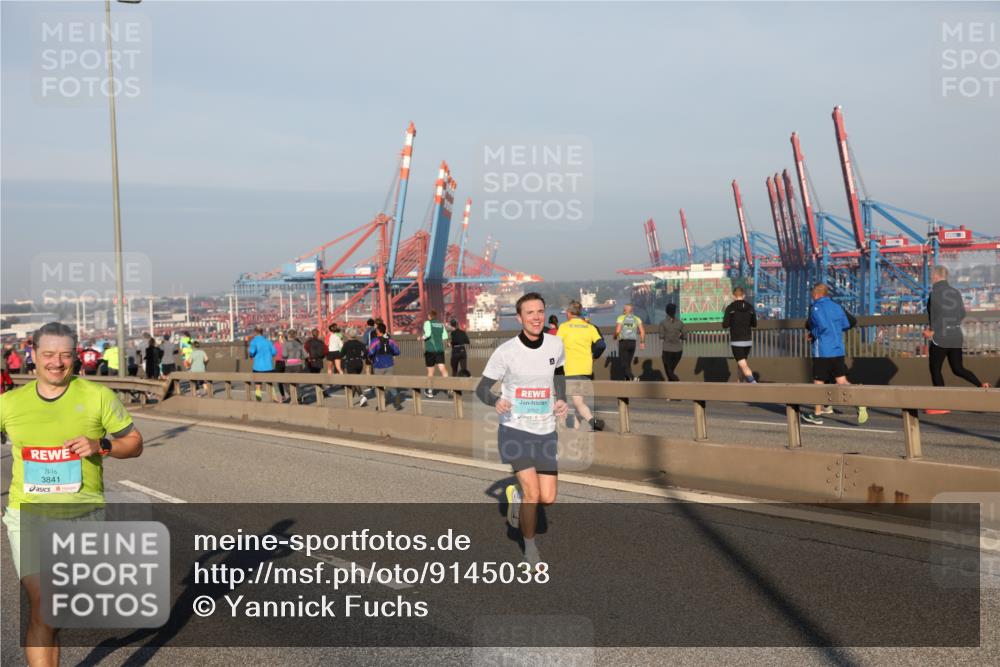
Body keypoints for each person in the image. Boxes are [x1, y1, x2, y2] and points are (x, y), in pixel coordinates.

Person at [1, 321, 143, 667]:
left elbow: (135, 443)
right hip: (28, 514)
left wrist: (102, 445)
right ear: (33, 355)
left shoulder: (98, 397)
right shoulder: (9, 404)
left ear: (75, 357)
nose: (56, 362)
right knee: (44, 601)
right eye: (48, 354)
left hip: (83, 515)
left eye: (65, 355)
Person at [476, 292, 568, 568]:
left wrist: (560, 398)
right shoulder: (506, 352)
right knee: (533, 495)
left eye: (540, 311)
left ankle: (515, 494)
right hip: (515, 429)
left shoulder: (555, 343)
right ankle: (529, 548)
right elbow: (481, 389)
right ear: (519, 318)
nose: (536, 317)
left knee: (548, 498)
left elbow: (559, 373)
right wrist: (497, 400)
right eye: (530, 313)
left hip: (546, 429)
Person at [923, 265, 989, 414]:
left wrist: (931, 331)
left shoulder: (934, 294)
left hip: (941, 338)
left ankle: (942, 405)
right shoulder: (956, 292)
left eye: (932, 275)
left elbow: (937, 316)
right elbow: (962, 314)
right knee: (958, 368)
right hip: (956, 335)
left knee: (935, 369)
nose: (931, 278)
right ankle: (981, 385)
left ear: (936, 276)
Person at [802, 284, 869, 426]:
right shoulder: (837, 307)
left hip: (823, 351)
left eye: (812, 295)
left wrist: (811, 334)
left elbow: (820, 326)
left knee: (818, 383)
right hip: (838, 349)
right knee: (841, 381)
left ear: (816, 294)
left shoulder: (816, 308)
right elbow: (846, 324)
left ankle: (817, 414)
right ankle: (859, 402)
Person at [557, 299, 605, 431]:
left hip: (571, 370)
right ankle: (575, 431)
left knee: (577, 402)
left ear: (568, 313)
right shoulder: (589, 327)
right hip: (586, 370)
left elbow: (556, 346)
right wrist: (593, 356)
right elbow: (601, 345)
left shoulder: (564, 327)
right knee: (579, 402)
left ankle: (592, 421)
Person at [722, 286, 758, 383]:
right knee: (741, 363)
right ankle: (739, 383)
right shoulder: (750, 307)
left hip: (737, 341)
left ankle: (754, 383)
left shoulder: (730, 308)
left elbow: (725, 324)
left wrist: (733, 322)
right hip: (748, 341)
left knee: (743, 364)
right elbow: (754, 324)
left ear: (733, 296)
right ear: (744, 296)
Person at [368, 322, 404, 410]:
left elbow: (371, 352)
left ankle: (381, 404)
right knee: (390, 384)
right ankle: (397, 404)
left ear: (378, 331)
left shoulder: (375, 341)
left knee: (379, 386)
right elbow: (397, 352)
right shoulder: (390, 341)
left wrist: (371, 358)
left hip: (378, 365)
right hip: (389, 364)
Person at [422, 310, 450, 398]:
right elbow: (445, 337)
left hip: (430, 350)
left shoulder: (427, 323)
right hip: (440, 350)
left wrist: (421, 338)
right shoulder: (441, 324)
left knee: (430, 372)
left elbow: (428, 334)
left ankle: (430, 391)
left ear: (430, 316)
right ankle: (449, 388)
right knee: (442, 368)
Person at [614, 304, 646, 382]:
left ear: (625, 311)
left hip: (623, 342)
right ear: (632, 311)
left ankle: (633, 377)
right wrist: (642, 342)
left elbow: (617, 331)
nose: (623, 311)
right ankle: (628, 381)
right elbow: (642, 331)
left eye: (624, 309)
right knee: (628, 363)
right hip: (632, 343)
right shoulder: (637, 319)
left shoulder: (621, 318)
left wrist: (614, 336)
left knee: (623, 363)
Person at [341, 328, 370, 406]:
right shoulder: (360, 343)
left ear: (348, 335)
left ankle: (362, 396)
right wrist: (363, 357)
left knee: (354, 381)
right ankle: (350, 400)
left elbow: (342, 354)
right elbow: (366, 352)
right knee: (354, 381)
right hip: (359, 363)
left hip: (351, 363)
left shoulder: (346, 344)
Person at [247, 327, 276, 402]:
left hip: (257, 367)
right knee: (270, 385)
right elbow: (274, 352)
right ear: (262, 332)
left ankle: (259, 400)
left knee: (258, 386)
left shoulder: (254, 341)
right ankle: (274, 399)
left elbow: (252, 352)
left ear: (255, 333)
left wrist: (251, 355)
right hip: (268, 367)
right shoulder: (268, 341)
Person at [659, 303, 685, 382]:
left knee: (669, 372)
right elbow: (685, 336)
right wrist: (678, 335)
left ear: (666, 311)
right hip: (678, 351)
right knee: (671, 371)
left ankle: (677, 382)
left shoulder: (663, 323)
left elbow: (661, 336)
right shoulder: (680, 323)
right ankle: (672, 391)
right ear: (675, 311)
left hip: (667, 350)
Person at [283, 330, 306, 403]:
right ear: (295, 335)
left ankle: (293, 396)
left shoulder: (286, 344)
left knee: (286, 382)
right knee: (296, 382)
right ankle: (299, 398)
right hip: (298, 365)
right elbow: (305, 355)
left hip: (289, 365)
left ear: (289, 335)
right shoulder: (300, 344)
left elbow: (284, 355)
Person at [272, 331, 287, 403]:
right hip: (284, 363)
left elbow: (273, 353)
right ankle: (284, 395)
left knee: (280, 380)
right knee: (282, 381)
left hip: (280, 363)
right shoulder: (286, 344)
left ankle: (283, 396)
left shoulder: (276, 344)